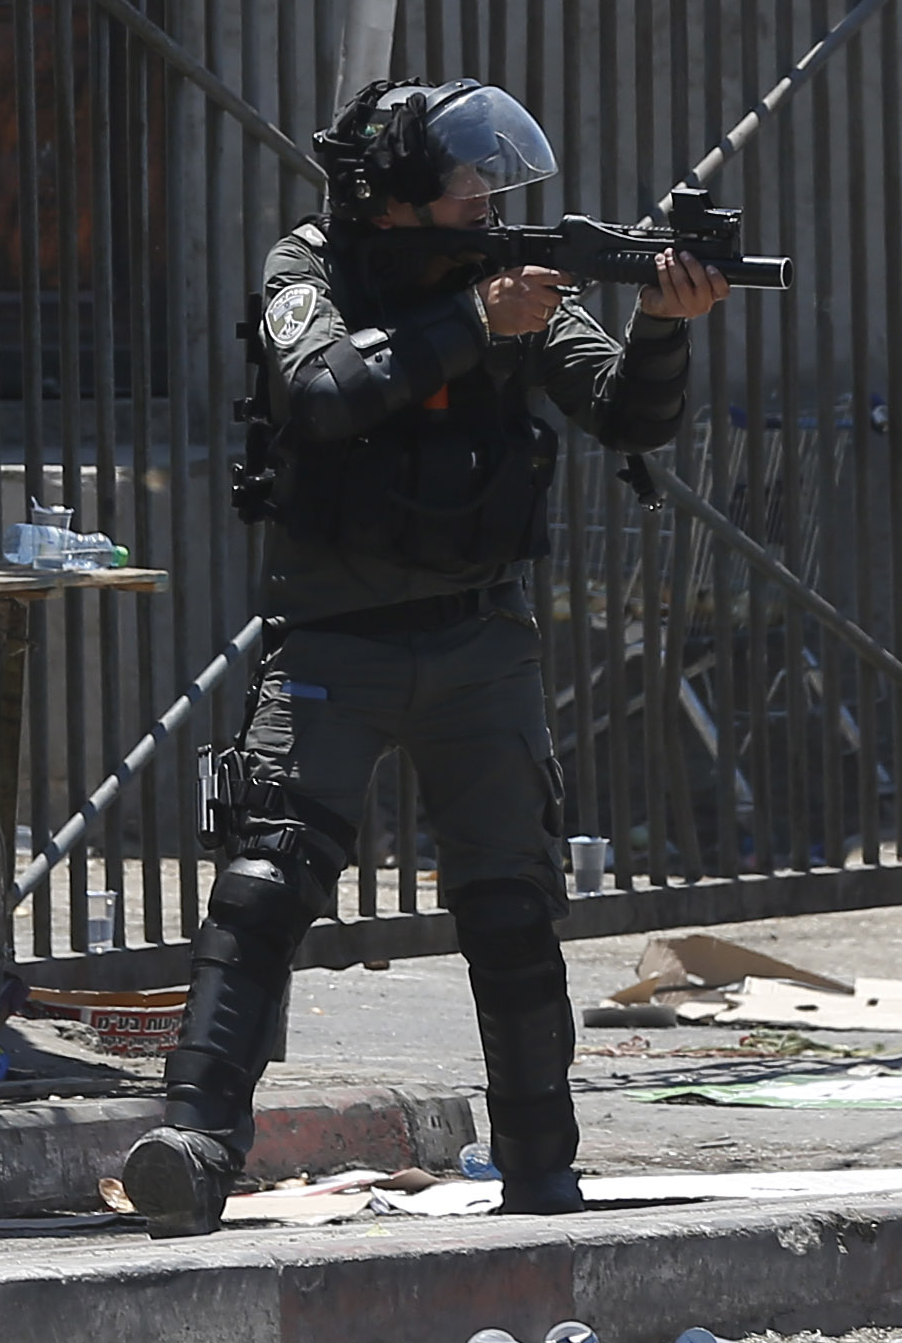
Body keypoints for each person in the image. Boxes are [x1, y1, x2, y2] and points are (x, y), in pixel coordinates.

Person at [119, 80, 730, 1235]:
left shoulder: (510, 289)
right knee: (264, 882)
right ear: (392, 201)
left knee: (510, 900)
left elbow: (625, 414)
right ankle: (195, 1143)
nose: (485, 207)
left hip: (477, 638)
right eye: (462, 192)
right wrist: (468, 326)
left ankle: (541, 1166)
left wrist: (664, 322)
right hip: (333, 637)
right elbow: (317, 391)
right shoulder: (307, 268)